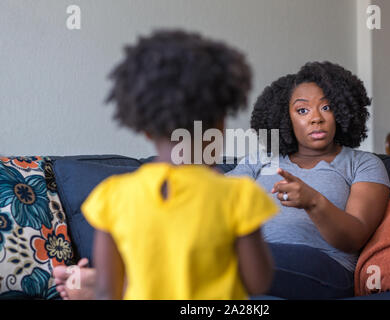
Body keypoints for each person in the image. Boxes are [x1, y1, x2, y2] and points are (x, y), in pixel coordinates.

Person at [53, 29, 279, 300]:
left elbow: (106, 292)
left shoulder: (111, 196)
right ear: (220, 124)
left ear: (145, 129)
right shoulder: (240, 195)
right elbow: (258, 282)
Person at [226, 61, 390, 299]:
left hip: (327, 267)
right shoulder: (260, 159)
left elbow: (356, 236)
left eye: (327, 107)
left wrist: (313, 202)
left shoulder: (362, 164)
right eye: (302, 110)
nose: (316, 118)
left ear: (343, 111)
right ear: (285, 117)